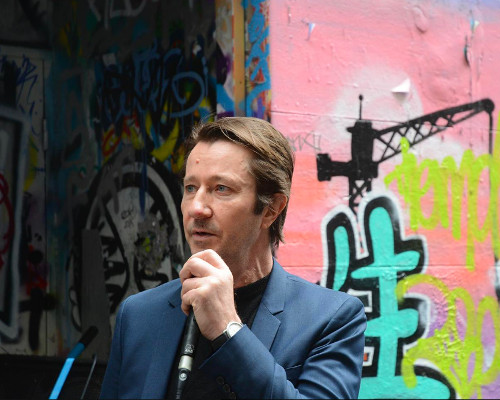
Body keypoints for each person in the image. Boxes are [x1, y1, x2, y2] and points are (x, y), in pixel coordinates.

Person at [99, 117, 367, 399]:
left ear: (271, 209)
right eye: (191, 188)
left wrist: (228, 331)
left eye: (221, 189)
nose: (197, 208)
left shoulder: (332, 319)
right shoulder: (139, 315)